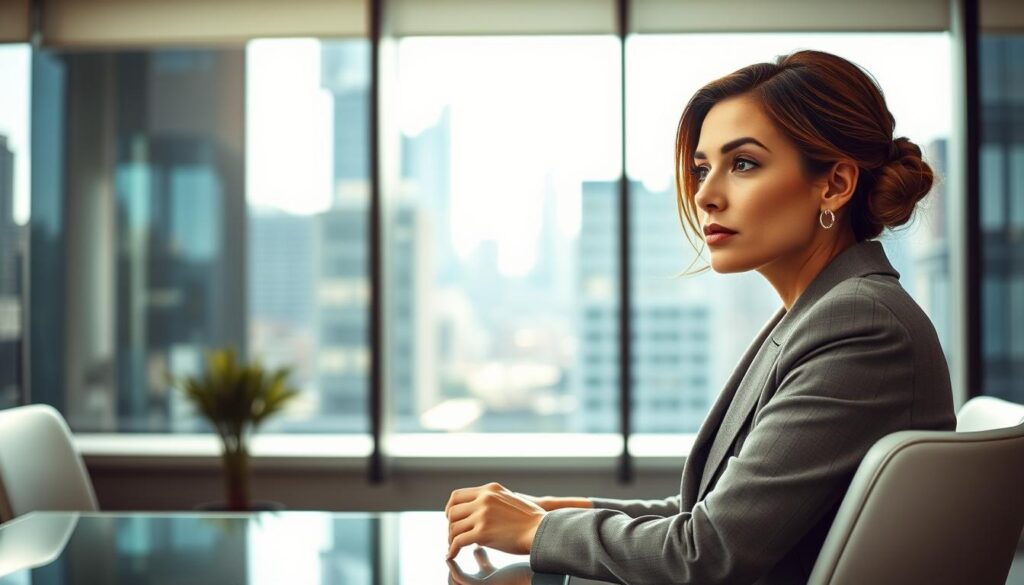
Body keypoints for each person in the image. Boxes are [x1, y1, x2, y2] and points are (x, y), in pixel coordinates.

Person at [444, 48, 957, 585]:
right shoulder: (822, 312)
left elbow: (708, 554)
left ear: (833, 185)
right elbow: (720, 514)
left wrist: (537, 533)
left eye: (743, 164)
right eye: (701, 168)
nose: (706, 195)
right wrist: (557, 514)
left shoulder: (858, 327)